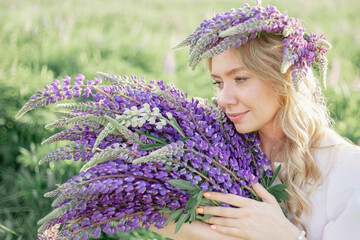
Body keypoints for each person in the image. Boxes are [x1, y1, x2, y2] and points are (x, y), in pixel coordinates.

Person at [150, 1, 360, 239]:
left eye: (240, 79)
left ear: (284, 78)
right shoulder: (218, 156)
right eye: (218, 83)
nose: (223, 99)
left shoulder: (348, 171)